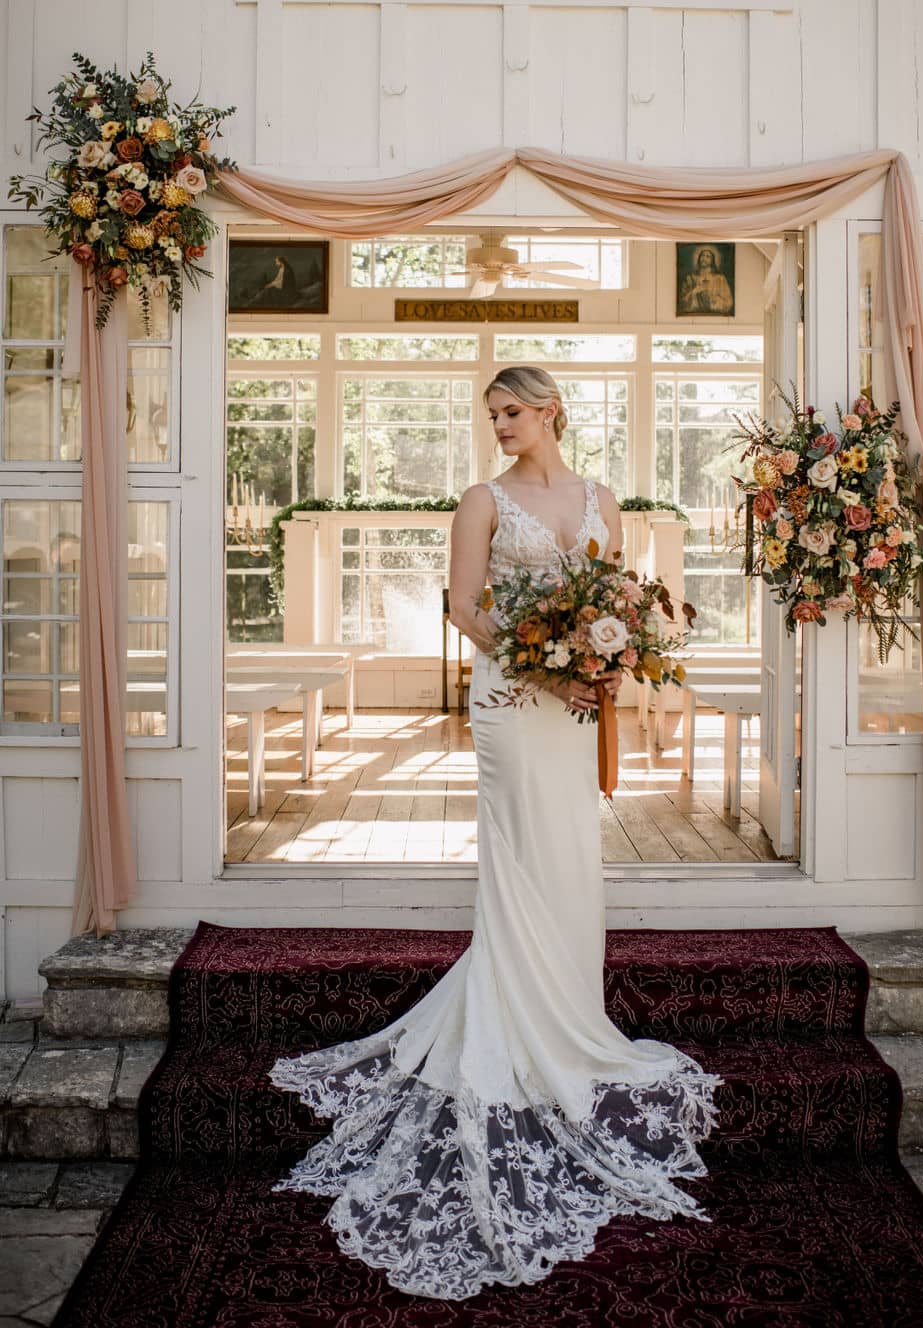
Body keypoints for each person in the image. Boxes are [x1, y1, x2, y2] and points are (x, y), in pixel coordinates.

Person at [267, 364, 721, 1300]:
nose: (501, 427)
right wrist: (539, 663)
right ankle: (516, 1030)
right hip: (518, 701)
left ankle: (572, 1021)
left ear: (551, 411)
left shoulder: (603, 500)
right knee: (521, 855)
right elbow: (464, 605)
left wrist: (608, 653)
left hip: (578, 702)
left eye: (512, 413)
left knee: (570, 858)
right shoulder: (482, 499)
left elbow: (619, 599)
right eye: (492, 415)